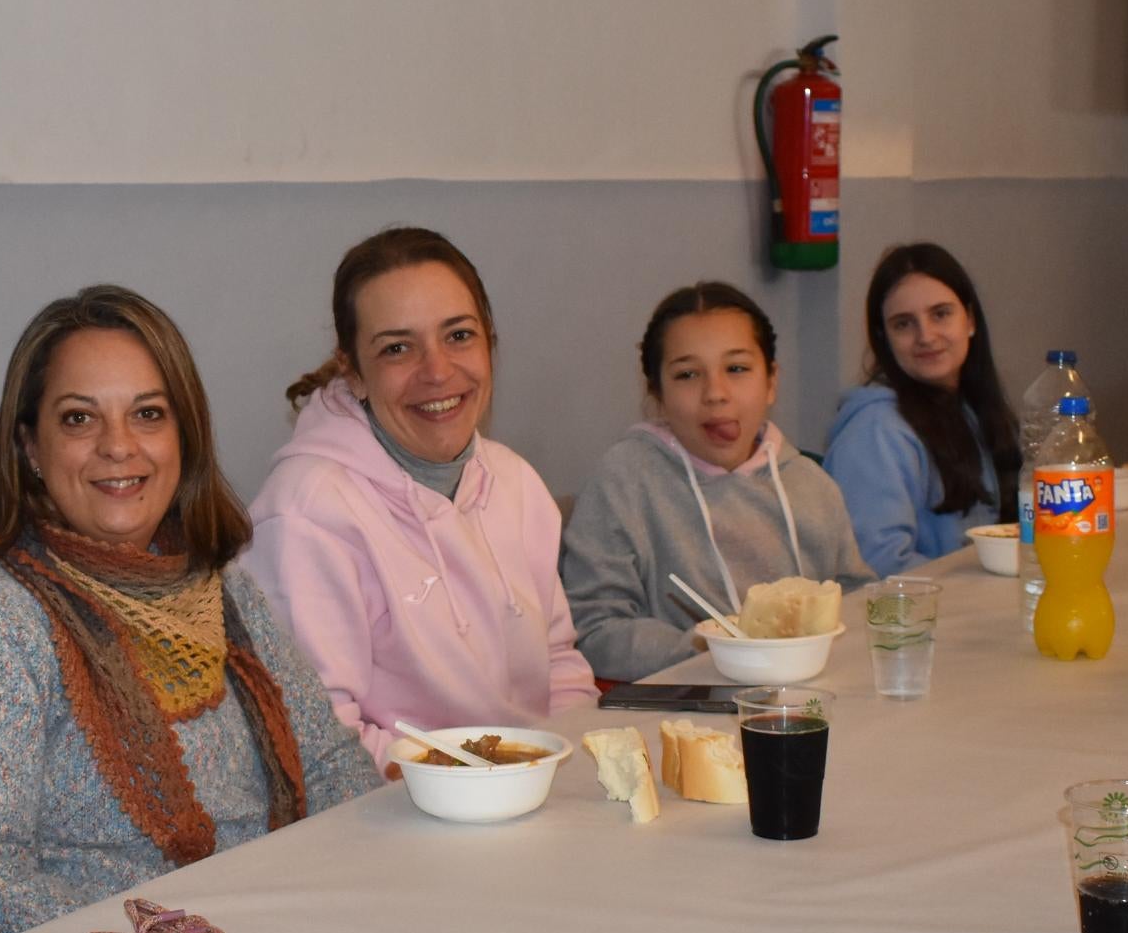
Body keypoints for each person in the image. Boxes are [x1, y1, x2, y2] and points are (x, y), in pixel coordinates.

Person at [0, 287, 375, 933]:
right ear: (29, 446)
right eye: (80, 420)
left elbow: (335, 766)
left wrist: (353, 887)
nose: (119, 446)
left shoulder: (221, 590)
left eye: (148, 414)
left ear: (184, 437)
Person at [246, 227, 595, 766]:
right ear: (354, 372)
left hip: (530, 795)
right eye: (397, 349)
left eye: (458, 336)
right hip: (390, 823)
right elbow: (320, 739)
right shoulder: (304, 514)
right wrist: (481, 778)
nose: (436, 371)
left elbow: (560, 664)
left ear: (490, 344)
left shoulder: (516, 483)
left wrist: (571, 762)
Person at [558, 283, 871, 680]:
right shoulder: (624, 481)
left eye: (737, 369)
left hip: (815, 695)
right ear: (657, 393)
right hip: (688, 709)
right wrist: (709, 649)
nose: (715, 394)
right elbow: (594, 630)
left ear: (772, 380)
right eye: (688, 374)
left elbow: (859, 600)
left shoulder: (810, 484)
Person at [822, 242, 1016, 575]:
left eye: (940, 314)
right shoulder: (876, 429)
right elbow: (879, 564)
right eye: (903, 324)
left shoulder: (971, 410)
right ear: (884, 339)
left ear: (969, 320)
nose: (925, 336)